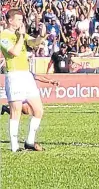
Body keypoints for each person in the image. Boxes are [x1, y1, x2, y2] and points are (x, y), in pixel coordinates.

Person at [0, 9, 48, 152]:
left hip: (26, 75)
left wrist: (41, 35)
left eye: (22, 19)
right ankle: (14, 146)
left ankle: (29, 141)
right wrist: (21, 36)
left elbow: (33, 43)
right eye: (19, 20)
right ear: (10, 20)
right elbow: (14, 52)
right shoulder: (4, 35)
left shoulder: (19, 34)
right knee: (16, 111)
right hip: (14, 75)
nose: (21, 22)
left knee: (38, 110)